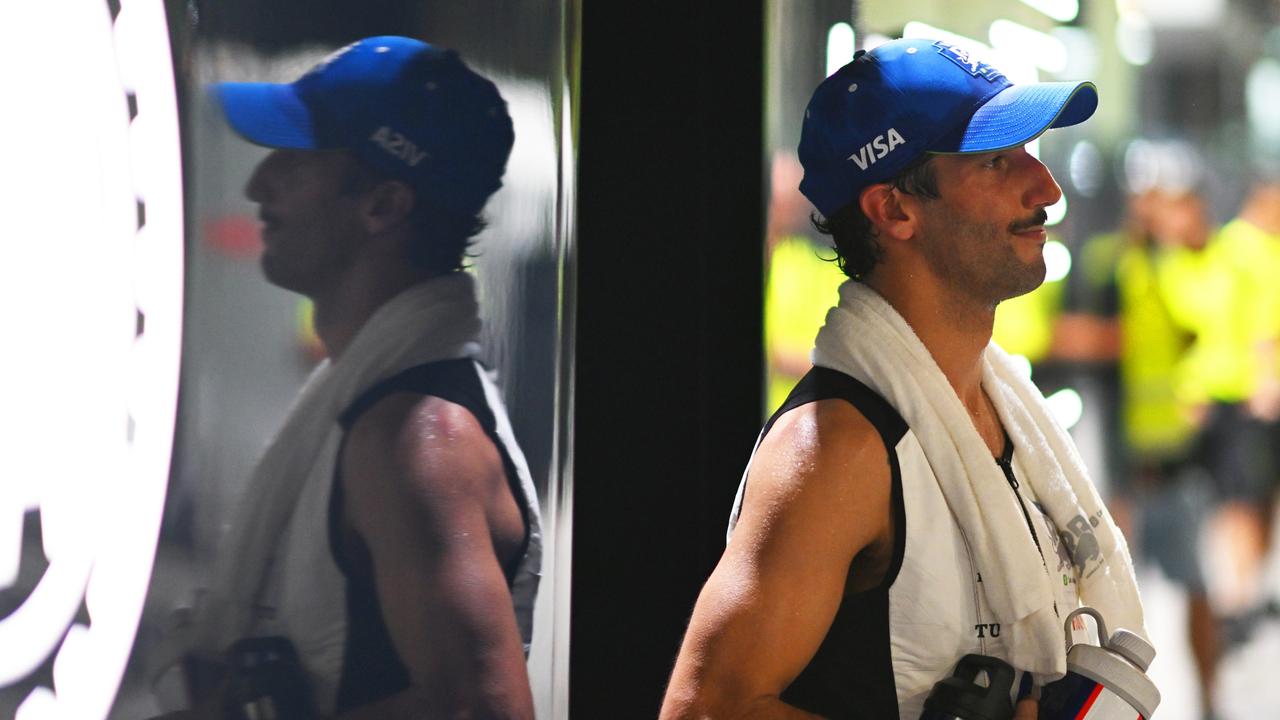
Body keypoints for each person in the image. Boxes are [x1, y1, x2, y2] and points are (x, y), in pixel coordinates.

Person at [660, 39, 1147, 720]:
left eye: (1032, 154)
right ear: (894, 211)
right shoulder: (837, 451)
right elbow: (704, 710)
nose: (1047, 190)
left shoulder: (1002, 411)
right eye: (997, 162)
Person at [156, 36, 541, 719]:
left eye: (296, 162)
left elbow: (481, 710)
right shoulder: (380, 408)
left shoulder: (419, 439)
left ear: (383, 206)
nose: (257, 185)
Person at [1057, 188, 1219, 717]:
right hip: (1119, 459)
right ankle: (1120, 706)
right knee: (1112, 596)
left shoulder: (1178, 269)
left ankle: (1210, 701)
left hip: (1173, 454)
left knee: (1192, 583)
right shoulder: (1111, 263)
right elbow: (1077, 332)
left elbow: (1205, 326)